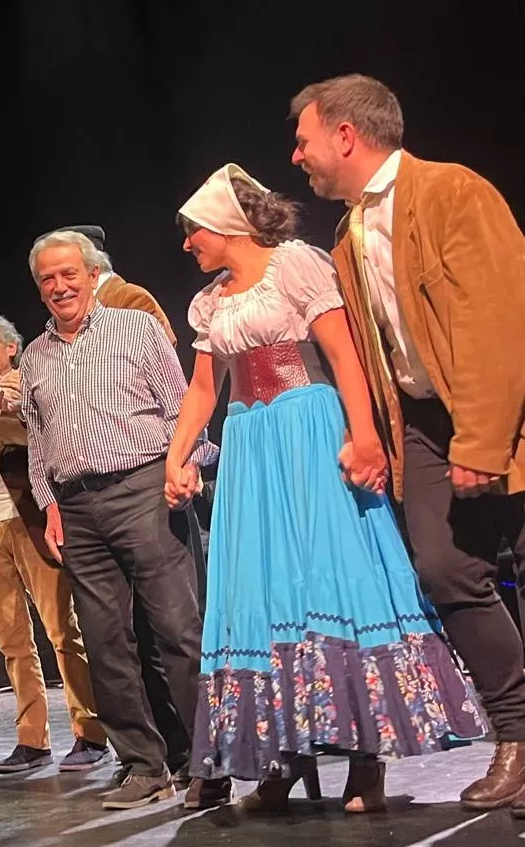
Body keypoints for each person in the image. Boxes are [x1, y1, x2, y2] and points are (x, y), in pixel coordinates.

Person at [167, 162, 484, 812]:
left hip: (309, 429)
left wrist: (362, 434)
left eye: (192, 231)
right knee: (262, 592)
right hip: (250, 445)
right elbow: (205, 387)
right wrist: (179, 456)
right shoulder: (209, 301)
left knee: (330, 582)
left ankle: (366, 763)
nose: (186, 245)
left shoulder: (295, 265)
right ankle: (282, 758)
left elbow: (343, 354)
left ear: (224, 225)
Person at [289, 73, 525, 812]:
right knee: (446, 569)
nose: (297, 156)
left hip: (495, 413)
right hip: (423, 422)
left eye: (304, 139)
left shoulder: (452, 192)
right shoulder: (349, 232)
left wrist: (484, 439)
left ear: (345, 135)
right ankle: (518, 736)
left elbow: (496, 320)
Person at [20, 231, 219, 810]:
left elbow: (185, 409)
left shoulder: (136, 328)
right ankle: (143, 767)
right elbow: (38, 444)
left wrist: (180, 467)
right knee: (107, 643)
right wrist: (50, 505)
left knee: (178, 632)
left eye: (69, 275)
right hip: (77, 507)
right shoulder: (34, 357)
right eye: (48, 280)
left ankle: (207, 762)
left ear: (91, 274)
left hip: (144, 489)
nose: (60, 287)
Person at [0, 316, 110, 775]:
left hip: (32, 519)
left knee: (61, 630)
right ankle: (33, 740)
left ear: (12, 348)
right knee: (11, 641)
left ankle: (90, 733)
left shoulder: (34, 387)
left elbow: (32, 441)